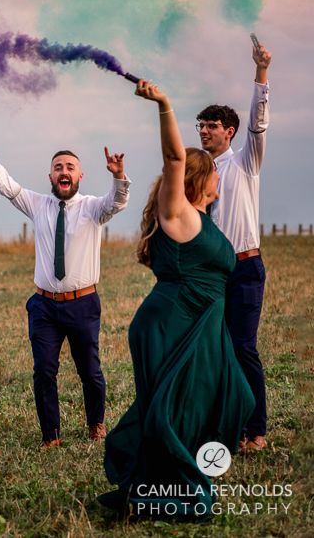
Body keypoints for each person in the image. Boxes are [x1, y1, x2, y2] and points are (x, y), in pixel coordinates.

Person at [100, 80, 255, 519]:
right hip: (172, 321)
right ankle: (162, 493)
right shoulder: (179, 214)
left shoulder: (206, 219)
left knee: (234, 396)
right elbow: (173, 159)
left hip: (205, 323)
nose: (220, 176)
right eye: (214, 172)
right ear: (201, 178)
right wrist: (164, 104)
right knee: (174, 407)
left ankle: (168, 480)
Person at [0, 119, 129, 448]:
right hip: (44, 306)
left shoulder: (93, 207)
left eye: (70, 167)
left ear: (80, 176)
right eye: (58, 167)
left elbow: (117, 202)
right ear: (51, 176)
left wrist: (117, 176)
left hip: (82, 304)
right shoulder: (38, 204)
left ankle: (96, 423)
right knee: (44, 370)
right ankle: (50, 435)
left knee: (90, 370)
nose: (63, 171)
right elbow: (5, 184)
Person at [197, 40, 272, 452]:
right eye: (201, 125)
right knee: (214, 352)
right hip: (211, 275)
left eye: (212, 125)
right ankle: (224, 428)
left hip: (243, 270)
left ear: (228, 131)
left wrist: (261, 72)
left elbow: (258, 124)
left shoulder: (245, 161)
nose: (204, 131)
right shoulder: (199, 174)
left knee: (242, 348)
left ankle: (255, 431)